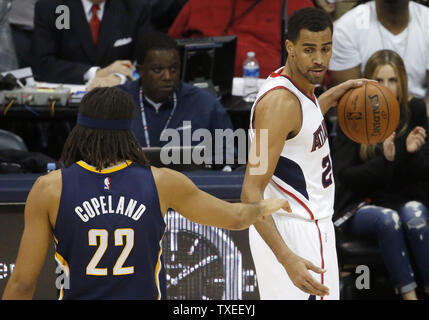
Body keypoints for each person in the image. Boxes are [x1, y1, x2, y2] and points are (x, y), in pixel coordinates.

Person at [1, 86, 291, 300]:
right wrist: (266, 206)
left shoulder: (50, 188)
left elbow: (23, 284)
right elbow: (236, 218)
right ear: (129, 131)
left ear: (79, 131)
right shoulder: (162, 181)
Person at [240, 7, 366, 300]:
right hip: (295, 233)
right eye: (309, 49)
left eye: (326, 48)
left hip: (303, 228)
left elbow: (295, 137)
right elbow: (250, 192)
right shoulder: (279, 105)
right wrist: (287, 258)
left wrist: (325, 102)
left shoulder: (299, 90)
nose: (319, 59)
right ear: (290, 47)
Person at [332, 49, 429, 300]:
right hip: (361, 204)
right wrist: (384, 161)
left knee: (414, 216)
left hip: (404, 199)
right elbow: (347, 176)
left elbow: (424, 176)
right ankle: (410, 297)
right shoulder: (352, 113)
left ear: (402, 82)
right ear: (367, 84)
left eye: (393, 80)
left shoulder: (415, 109)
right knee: (388, 220)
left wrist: (410, 154)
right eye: (379, 81)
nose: (386, 88)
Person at [114, 32, 235, 166]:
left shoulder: (205, 104)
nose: (167, 77)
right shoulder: (116, 102)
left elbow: (229, 156)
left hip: (190, 184)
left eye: (173, 69)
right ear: (140, 70)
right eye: (157, 69)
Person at [328, 0, 429, 116]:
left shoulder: (426, 21)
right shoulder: (345, 29)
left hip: (419, 114)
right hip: (367, 115)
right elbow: (351, 101)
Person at [168, 0, 315, 78]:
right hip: (203, 100)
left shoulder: (297, 5)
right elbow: (167, 50)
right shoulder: (199, 3)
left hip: (274, 103)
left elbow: (317, 67)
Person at [31, 0, 152, 85]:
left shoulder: (135, 7)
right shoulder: (54, 7)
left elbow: (145, 62)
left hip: (118, 102)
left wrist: (119, 77)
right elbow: (44, 65)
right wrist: (95, 73)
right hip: (64, 108)